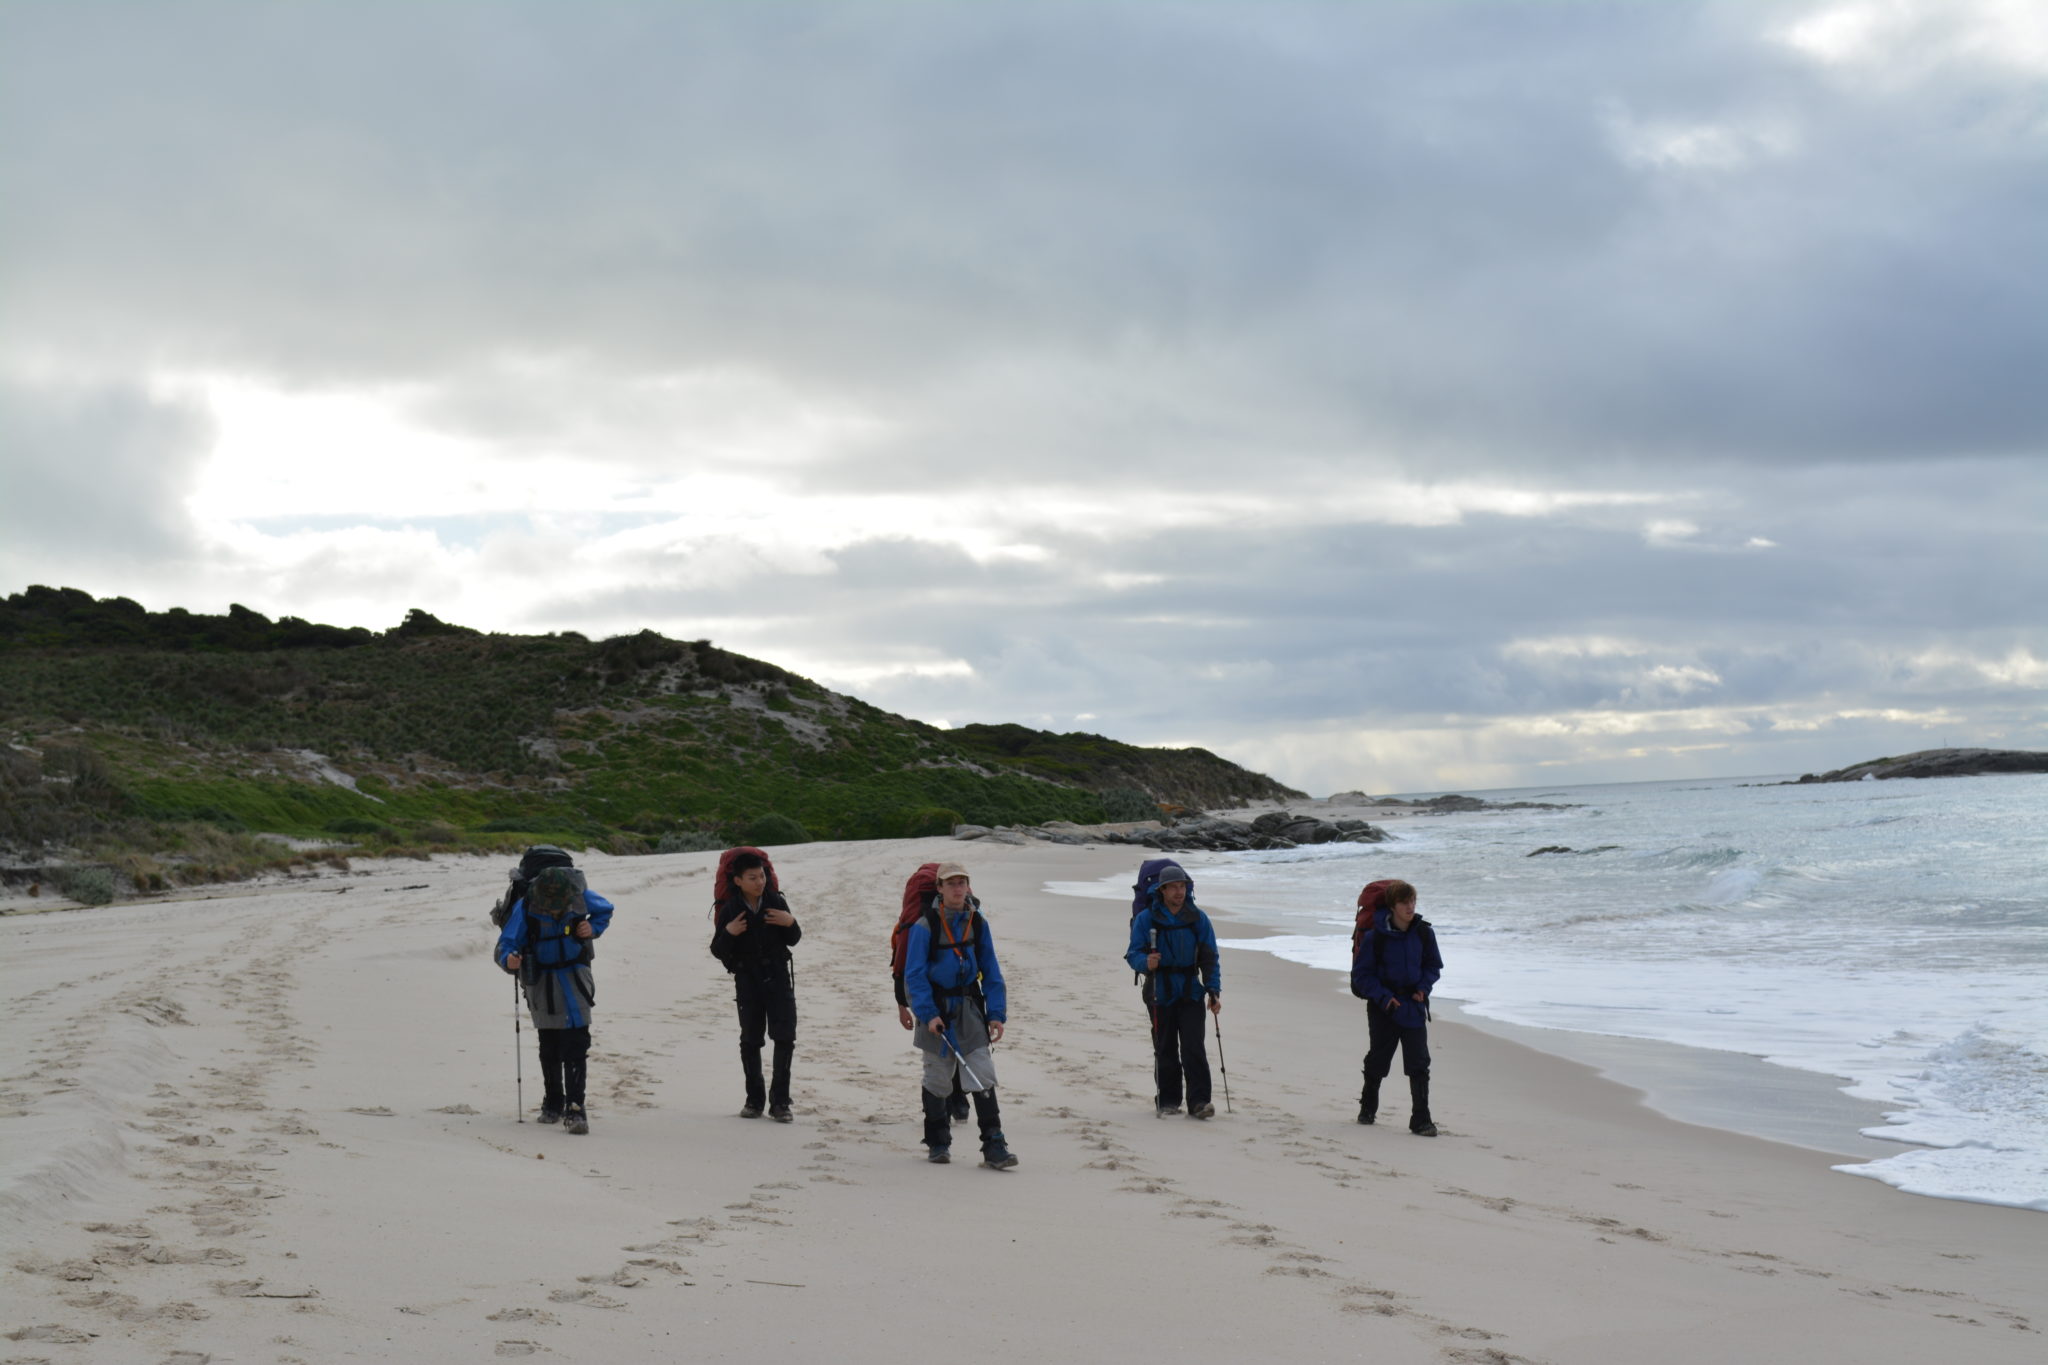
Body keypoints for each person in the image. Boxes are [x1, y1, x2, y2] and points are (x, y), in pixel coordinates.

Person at [901, 862, 1017, 1168]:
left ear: (968, 887)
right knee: (938, 1079)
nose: (957, 888)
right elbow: (914, 976)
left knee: (982, 1074)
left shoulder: (978, 923)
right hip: (936, 1012)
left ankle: (994, 1145)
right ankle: (938, 1142)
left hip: (969, 1010)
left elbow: (991, 970)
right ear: (939, 888)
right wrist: (927, 1014)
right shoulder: (924, 926)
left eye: (962, 882)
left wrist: (997, 1013)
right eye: (951, 883)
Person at [496, 865, 615, 1134]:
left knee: (576, 1041)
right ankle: (552, 1103)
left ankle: (575, 1109)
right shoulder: (526, 905)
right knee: (549, 1043)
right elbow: (506, 944)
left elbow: (606, 910)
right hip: (541, 982)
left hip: (576, 976)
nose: (552, 909)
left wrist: (592, 927)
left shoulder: (579, 894)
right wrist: (510, 959)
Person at [709, 848, 802, 1121]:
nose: (759, 882)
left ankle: (780, 1103)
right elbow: (717, 950)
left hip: (779, 979)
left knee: (785, 1037)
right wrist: (728, 932)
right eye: (752, 878)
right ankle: (754, 1100)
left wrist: (790, 922)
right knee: (751, 1039)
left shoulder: (776, 901)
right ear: (737, 881)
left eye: (761, 876)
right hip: (747, 982)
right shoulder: (731, 910)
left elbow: (794, 938)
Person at [1124, 862, 1222, 1118]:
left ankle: (1199, 1102)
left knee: (1193, 1046)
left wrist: (1213, 990)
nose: (1179, 892)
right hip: (1159, 989)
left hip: (1190, 989)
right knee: (1165, 1046)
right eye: (1173, 888)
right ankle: (1167, 1100)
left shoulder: (1198, 918)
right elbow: (1133, 953)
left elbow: (1210, 956)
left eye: (1183, 887)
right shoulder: (1146, 919)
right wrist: (1145, 963)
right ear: (1162, 890)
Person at [1350, 879, 1441, 1136]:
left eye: (1413, 901)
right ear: (1392, 905)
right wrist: (1384, 998)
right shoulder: (1375, 937)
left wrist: (1423, 988)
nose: (1410, 906)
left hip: (1413, 1004)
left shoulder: (1424, 933)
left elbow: (1433, 966)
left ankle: (1421, 1119)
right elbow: (1362, 975)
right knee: (1379, 1058)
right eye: (1404, 902)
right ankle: (1368, 1107)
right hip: (1384, 1008)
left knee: (1419, 1062)